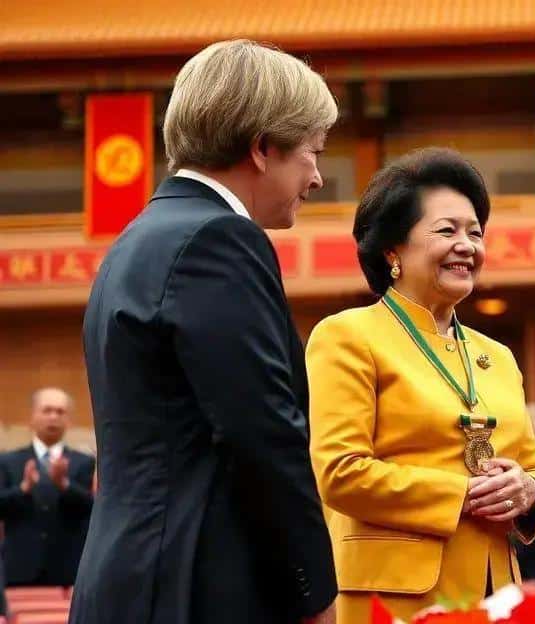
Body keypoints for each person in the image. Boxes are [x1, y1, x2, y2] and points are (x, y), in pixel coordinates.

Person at [76, 40, 338, 624]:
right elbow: (261, 432)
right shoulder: (220, 241)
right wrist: (313, 591)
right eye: (313, 152)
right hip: (196, 584)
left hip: (129, 577)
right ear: (263, 147)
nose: (318, 178)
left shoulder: (137, 240)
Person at [306, 147, 535, 621]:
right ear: (392, 250)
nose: (467, 245)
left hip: (496, 595)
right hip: (395, 596)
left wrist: (528, 493)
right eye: (447, 231)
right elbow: (340, 472)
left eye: (476, 233)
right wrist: (459, 495)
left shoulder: (497, 356)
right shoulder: (346, 336)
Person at [0, 388, 95, 587]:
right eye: (47, 410)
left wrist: (64, 485)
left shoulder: (84, 462)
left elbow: (90, 509)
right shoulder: (8, 461)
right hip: (19, 570)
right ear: (32, 417)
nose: (53, 417)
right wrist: (24, 488)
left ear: (68, 420)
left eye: (60, 412)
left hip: (68, 572)